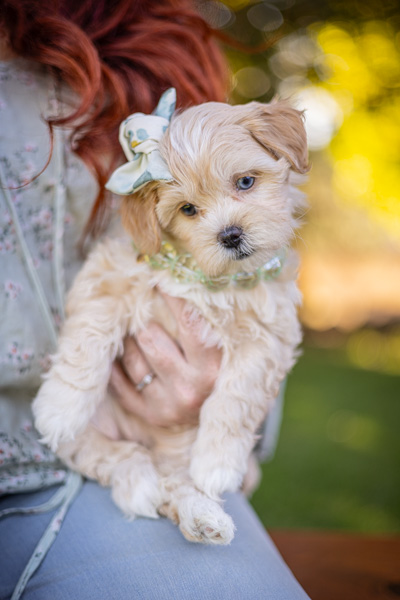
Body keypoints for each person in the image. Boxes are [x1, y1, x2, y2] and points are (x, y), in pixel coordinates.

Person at [0, 2, 310, 598]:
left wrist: (217, 407)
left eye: (245, 184)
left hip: (140, 447)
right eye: (191, 209)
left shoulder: (163, 39)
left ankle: (180, 494)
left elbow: (267, 323)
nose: (227, 222)